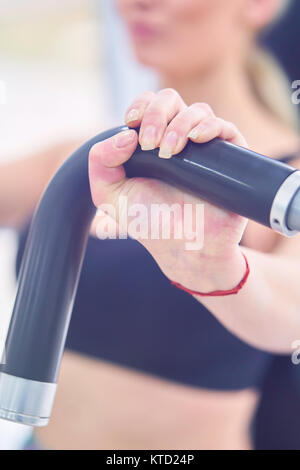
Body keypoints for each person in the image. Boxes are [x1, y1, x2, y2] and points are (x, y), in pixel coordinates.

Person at [7, 0, 300, 450]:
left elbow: (288, 309)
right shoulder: (83, 159)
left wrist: (218, 270)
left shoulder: (286, 186)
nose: (138, 3)